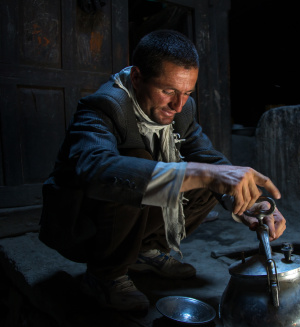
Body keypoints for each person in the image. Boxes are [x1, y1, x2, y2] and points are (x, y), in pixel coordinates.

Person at [38, 29, 286, 312]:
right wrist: (203, 173)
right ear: (137, 77)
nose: (178, 106)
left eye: (187, 93)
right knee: (138, 159)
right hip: (81, 227)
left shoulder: (183, 108)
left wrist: (252, 202)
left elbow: (206, 157)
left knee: (208, 175)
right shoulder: (103, 107)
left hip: (129, 218)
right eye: (168, 91)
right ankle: (104, 275)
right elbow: (95, 170)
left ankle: (145, 252)